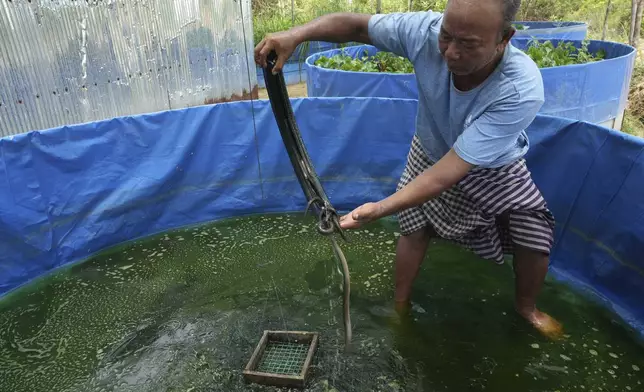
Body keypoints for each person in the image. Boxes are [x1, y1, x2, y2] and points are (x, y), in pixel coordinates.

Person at [254, 0, 563, 339]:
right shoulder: (424, 32)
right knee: (414, 228)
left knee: (533, 235)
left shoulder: (520, 88)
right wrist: (295, 35)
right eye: (447, 36)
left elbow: (451, 170)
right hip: (430, 148)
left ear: (504, 39)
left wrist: (380, 208)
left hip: (494, 163)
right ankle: (400, 304)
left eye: (468, 44)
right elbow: (357, 26)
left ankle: (527, 308)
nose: (450, 52)